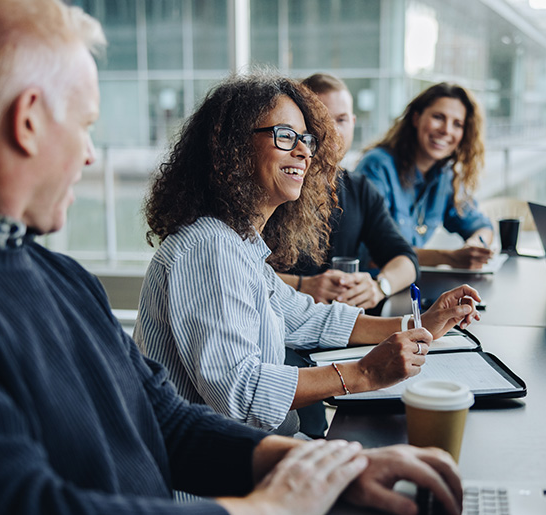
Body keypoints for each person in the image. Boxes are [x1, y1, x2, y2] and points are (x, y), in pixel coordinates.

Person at [0, 2, 465, 515]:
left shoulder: (59, 276)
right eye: (85, 125)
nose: (90, 155)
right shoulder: (202, 250)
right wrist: (277, 507)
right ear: (29, 120)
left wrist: (323, 469)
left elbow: (168, 419)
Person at [133, 73, 482, 436]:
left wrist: (420, 324)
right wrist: (365, 373)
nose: (303, 151)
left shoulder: (238, 243)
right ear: (232, 147)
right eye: (285, 136)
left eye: (306, 139)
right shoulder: (209, 248)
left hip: (253, 452)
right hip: (213, 481)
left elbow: (310, 320)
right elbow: (241, 394)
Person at [276, 73, 418, 310]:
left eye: (340, 120)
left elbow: (406, 259)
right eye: (319, 120)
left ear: (353, 123)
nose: (331, 131)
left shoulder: (359, 189)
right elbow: (241, 269)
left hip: (343, 330)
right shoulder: (278, 185)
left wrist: (379, 286)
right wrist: (302, 285)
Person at [355, 82, 495, 270]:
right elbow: (373, 255)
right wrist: (449, 257)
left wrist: (476, 245)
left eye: (457, 124)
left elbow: (481, 226)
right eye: (438, 117)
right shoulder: (377, 166)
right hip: (372, 288)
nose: (446, 130)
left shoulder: (445, 175)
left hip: (410, 284)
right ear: (416, 118)